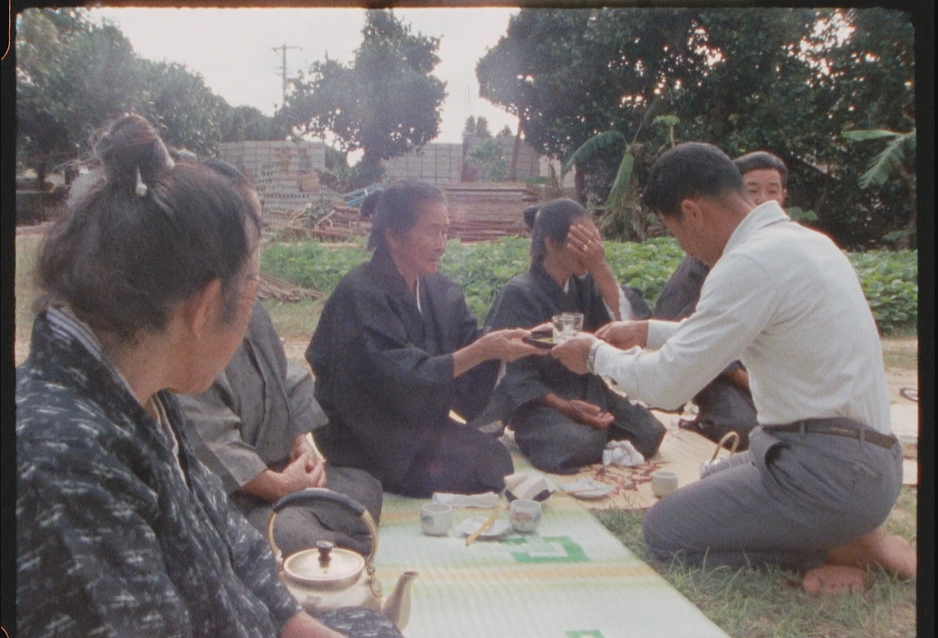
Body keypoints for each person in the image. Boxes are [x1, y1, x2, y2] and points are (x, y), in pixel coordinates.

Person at [15, 114, 424, 638]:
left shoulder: (142, 388)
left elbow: (230, 539)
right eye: (253, 284)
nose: (256, 302)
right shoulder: (65, 455)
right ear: (205, 307)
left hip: (242, 633)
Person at [551, 142, 916, 595]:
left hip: (828, 472)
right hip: (861, 462)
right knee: (709, 479)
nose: (683, 246)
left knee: (664, 530)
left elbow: (667, 385)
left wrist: (593, 355)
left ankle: (843, 549)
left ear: (692, 211)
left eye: (673, 231)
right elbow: (724, 333)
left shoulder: (748, 263)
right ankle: (852, 531)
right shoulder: (802, 242)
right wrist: (647, 330)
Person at [178, 160, 382, 558]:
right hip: (232, 494)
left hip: (282, 474)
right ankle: (309, 541)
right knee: (292, 537)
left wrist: (302, 446)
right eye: (251, 226)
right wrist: (280, 486)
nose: (260, 239)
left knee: (364, 486)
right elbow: (207, 436)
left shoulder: (250, 306)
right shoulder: (189, 317)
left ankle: (317, 539)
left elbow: (286, 378)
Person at [306, 180, 542, 498]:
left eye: (445, 231)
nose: (442, 244)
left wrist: (501, 345)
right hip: (369, 433)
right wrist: (483, 350)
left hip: (414, 427)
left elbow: (467, 344)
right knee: (474, 469)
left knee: (494, 458)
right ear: (392, 236)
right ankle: (373, 473)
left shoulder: (440, 290)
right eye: (432, 231)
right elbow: (399, 376)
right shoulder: (360, 292)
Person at [483, 198, 665, 473]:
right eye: (581, 241)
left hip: (589, 391)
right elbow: (515, 376)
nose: (589, 251)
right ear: (549, 242)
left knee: (650, 432)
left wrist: (600, 267)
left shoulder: (585, 284)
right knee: (578, 442)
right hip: (541, 400)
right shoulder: (519, 292)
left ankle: (595, 438)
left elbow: (625, 325)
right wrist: (567, 407)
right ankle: (577, 438)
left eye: (593, 241)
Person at [652, 151, 790, 448]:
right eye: (753, 191)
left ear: (785, 196)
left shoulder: (787, 249)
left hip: (763, 373)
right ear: (734, 194)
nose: (764, 199)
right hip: (719, 370)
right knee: (745, 426)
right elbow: (699, 342)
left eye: (773, 190)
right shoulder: (707, 260)